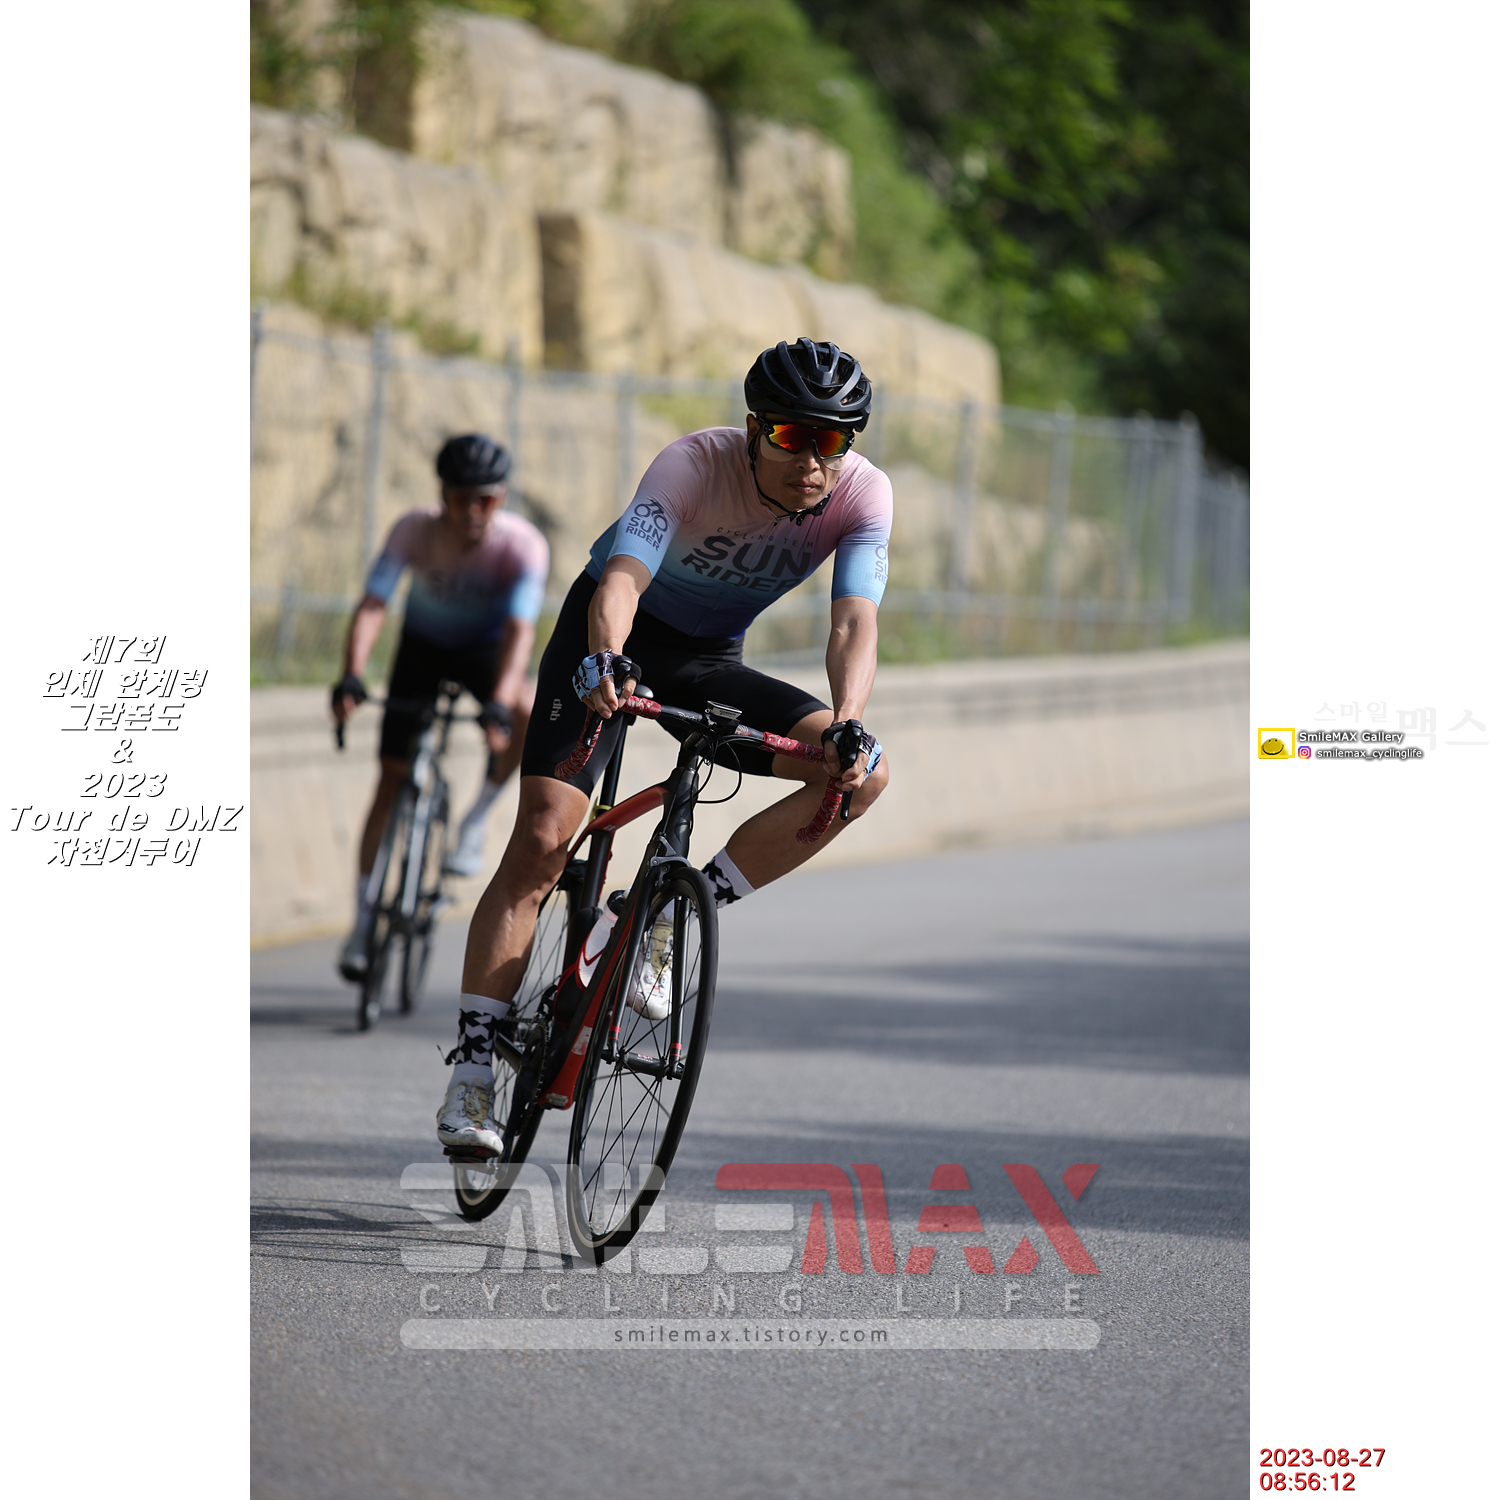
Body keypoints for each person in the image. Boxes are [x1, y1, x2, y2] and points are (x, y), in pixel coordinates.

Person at [436, 339, 891, 1153]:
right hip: (607, 640)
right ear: (754, 429)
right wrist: (606, 657)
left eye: (832, 440)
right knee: (542, 841)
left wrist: (848, 717)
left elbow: (853, 618)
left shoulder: (862, 494)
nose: (812, 462)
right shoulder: (692, 463)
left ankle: (672, 915)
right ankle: (472, 1073)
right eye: (792, 436)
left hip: (707, 662)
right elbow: (622, 579)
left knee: (861, 776)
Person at [331, 433, 550, 982]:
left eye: (486, 499)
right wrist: (352, 673)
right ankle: (362, 923)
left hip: (485, 651)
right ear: (442, 496)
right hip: (422, 650)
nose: (473, 511)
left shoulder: (522, 545)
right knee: (390, 780)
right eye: (461, 498)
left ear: (501, 499)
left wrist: (498, 703)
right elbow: (374, 603)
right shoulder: (413, 529)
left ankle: (475, 820)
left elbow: (521, 630)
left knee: (527, 710)